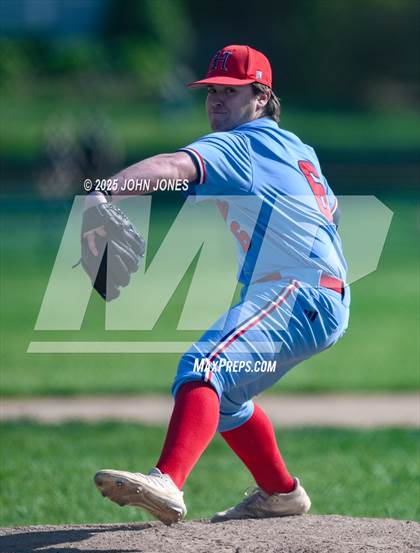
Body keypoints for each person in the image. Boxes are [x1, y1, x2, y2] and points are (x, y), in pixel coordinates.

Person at [91, 45, 350, 525]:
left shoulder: (242, 144)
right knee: (227, 400)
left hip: (299, 292)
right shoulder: (296, 148)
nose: (215, 100)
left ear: (261, 97)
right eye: (211, 91)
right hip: (319, 296)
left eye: (230, 91)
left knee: (204, 365)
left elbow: (174, 168)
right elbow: (330, 214)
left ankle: (168, 481)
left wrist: (104, 192)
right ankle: (280, 493)